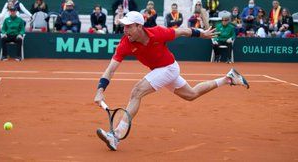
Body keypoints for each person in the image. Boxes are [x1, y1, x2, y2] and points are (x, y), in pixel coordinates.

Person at [94, 11, 249, 151]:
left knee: (136, 92)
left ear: (139, 26)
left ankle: (116, 136)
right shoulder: (125, 43)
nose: (125, 30)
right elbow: (111, 68)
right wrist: (100, 90)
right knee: (191, 94)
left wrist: (201, 34)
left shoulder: (158, 32)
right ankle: (228, 78)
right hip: (160, 71)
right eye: (124, 26)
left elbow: (182, 31)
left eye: (128, 27)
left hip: (169, 67)